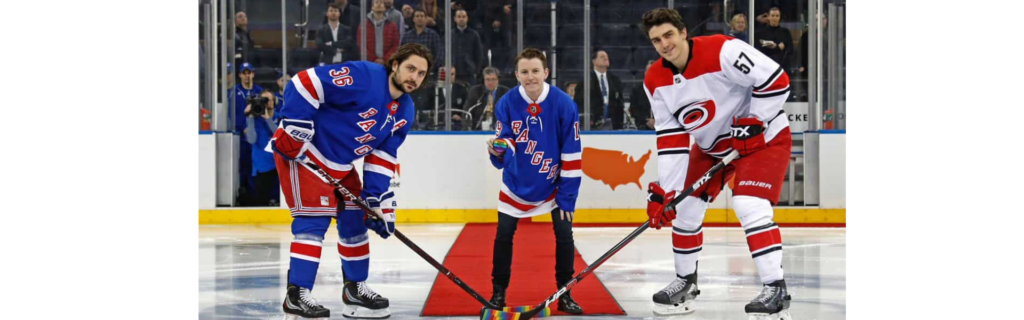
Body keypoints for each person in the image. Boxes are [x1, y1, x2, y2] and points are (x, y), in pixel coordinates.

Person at [640, 8, 793, 319]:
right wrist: (666, 192)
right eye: (656, 40)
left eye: (668, 35)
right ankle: (685, 283)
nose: (664, 44)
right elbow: (672, 140)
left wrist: (755, 120)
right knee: (684, 207)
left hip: (762, 138)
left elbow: (778, 81)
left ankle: (775, 288)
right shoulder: (655, 80)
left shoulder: (724, 50)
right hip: (712, 147)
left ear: (683, 32)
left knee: (749, 204)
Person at [272, 43, 432, 319]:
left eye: (421, 74)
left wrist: (374, 199)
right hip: (304, 153)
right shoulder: (365, 76)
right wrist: (297, 125)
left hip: (340, 165)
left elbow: (383, 155)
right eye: (410, 68)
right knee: (313, 221)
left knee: (355, 220)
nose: (414, 77)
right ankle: (296, 294)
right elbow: (305, 81)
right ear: (395, 65)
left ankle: (355, 288)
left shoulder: (405, 111)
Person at [485, 48, 583, 315]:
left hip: (553, 187)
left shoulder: (563, 103)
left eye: (536, 71)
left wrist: (567, 196)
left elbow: (572, 153)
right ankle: (498, 293)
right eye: (525, 72)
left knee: (564, 236)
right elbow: (506, 143)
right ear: (517, 74)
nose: (531, 77)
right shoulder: (506, 103)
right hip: (516, 184)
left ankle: (565, 293)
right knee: (503, 236)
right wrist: (498, 151)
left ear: (546, 73)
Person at [231, 62, 263, 205]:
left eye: (248, 72)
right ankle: (243, 194)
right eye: (243, 73)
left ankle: (256, 194)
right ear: (239, 75)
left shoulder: (259, 91)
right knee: (243, 166)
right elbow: (233, 114)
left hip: (257, 136)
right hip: (241, 137)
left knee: (257, 165)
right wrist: (243, 127)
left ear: (253, 74)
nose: (246, 75)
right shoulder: (234, 91)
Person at [244, 90, 282, 206]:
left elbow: (279, 135)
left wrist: (267, 119)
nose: (266, 103)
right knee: (262, 200)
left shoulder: (280, 117)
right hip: (262, 166)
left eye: (268, 100)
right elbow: (251, 140)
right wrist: (250, 117)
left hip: (280, 164)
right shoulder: (254, 120)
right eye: (263, 100)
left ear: (274, 101)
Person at [572, 50, 625, 129]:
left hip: (613, 126)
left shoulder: (615, 81)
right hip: (591, 126)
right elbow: (578, 104)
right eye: (602, 57)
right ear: (594, 61)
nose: (606, 58)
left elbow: (620, 104)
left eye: (607, 57)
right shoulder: (585, 81)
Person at [358, 0, 401, 65]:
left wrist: (385, 59)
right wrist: (373, 59)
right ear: (372, 7)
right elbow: (361, 44)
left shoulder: (392, 25)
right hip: (369, 62)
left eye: (381, 3)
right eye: (376, 2)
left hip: (387, 63)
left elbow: (395, 45)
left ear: (384, 7)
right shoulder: (364, 24)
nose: (379, 4)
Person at [451, 9, 485, 85]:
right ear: (455, 19)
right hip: (454, 72)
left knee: (471, 96)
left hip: (469, 72)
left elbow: (479, 54)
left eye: (463, 16)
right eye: (459, 17)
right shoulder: (450, 34)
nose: (461, 19)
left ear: (467, 18)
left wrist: (476, 71)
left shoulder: (474, 34)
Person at [753, 7, 792, 73]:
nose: (775, 18)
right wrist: (778, 48)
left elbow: (790, 50)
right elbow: (760, 50)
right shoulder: (761, 33)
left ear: (780, 17)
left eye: (777, 16)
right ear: (768, 17)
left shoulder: (785, 32)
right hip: (765, 66)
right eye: (772, 15)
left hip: (782, 66)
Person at [629, 60, 657, 131]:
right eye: (648, 70)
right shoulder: (636, 90)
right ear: (645, 73)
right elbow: (633, 110)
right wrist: (646, 121)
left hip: (662, 126)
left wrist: (657, 121)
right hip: (642, 126)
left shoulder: (665, 90)